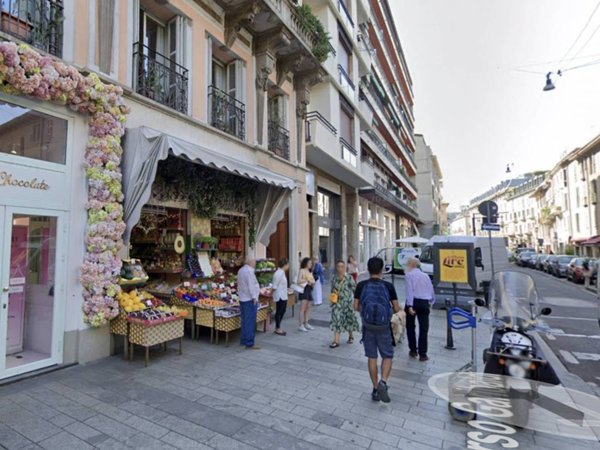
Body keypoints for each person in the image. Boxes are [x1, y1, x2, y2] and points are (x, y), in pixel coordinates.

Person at [354, 257, 400, 403]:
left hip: (368, 327)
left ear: (368, 269)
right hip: (384, 327)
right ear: (382, 270)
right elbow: (396, 308)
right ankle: (383, 382)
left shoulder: (361, 285)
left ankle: (375, 389)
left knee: (372, 357)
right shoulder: (388, 286)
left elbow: (355, 306)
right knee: (387, 355)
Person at [404, 257, 435, 362]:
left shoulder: (409, 275)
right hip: (424, 302)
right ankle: (423, 354)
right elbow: (431, 289)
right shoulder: (425, 275)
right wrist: (431, 302)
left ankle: (413, 350)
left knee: (410, 326)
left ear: (411, 265)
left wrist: (410, 306)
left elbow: (409, 291)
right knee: (424, 329)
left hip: (414, 301)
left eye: (407, 264)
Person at [329, 260, 360, 348]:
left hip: (347, 303)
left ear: (345, 267)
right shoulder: (334, 278)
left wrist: (356, 302)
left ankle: (351, 335)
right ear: (336, 267)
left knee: (348, 320)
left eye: (342, 266)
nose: (340, 268)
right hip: (337, 303)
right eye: (338, 266)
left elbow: (355, 289)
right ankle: (336, 341)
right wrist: (332, 299)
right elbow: (332, 290)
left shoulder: (349, 277)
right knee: (337, 319)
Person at [237, 257, 261, 350]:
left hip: (242, 298)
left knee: (244, 321)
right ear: (250, 262)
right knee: (250, 322)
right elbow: (251, 285)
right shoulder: (250, 271)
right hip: (249, 299)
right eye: (254, 261)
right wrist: (254, 297)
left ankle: (243, 340)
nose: (255, 263)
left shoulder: (241, 270)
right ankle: (249, 343)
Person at [297, 257, 315, 332]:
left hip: (309, 289)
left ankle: (306, 323)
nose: (311, 264)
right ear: (306, 263)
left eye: (311, 263)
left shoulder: (310, 271)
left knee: (308, 308)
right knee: (303, 308)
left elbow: (313, 281)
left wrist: (312, 283)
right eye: (309, 263)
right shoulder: (302, 270)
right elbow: (298, 281)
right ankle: (301, 325)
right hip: (304, 290)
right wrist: (307, 280)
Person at [272, 258, 290, 336]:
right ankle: (277, 328)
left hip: (283, 294)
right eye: (288, 264)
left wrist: (286, 288)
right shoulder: (278, 273)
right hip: (280, 295)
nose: (288, 266)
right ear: (284, 265)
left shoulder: (282, 272)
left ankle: (278, 327)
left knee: (283, 310)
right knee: (279, 311)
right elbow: (275, 285)